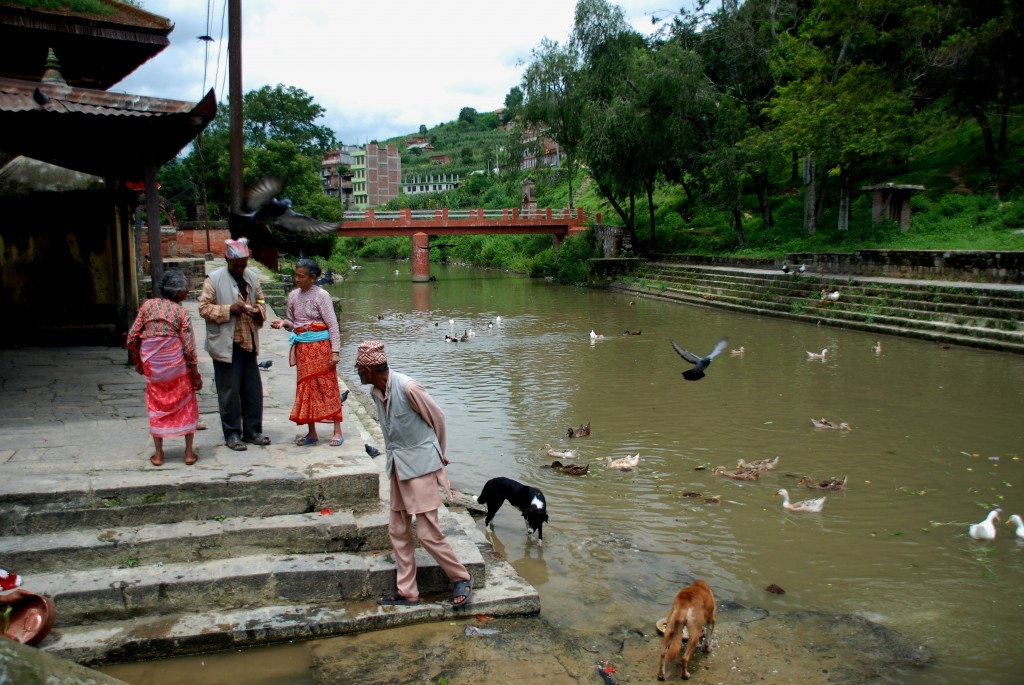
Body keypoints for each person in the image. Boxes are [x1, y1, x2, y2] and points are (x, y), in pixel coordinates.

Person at [354, 340, 473, 608]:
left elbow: (438, 418)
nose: (357, 373)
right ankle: (408, 591)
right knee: (397, 529)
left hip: (421, 466)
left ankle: (461, 577)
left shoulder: (408, 387)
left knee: (429, 532)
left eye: (359, 368)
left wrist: (438, 456)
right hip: (398, 465)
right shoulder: (376, 391)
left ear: (370, 369)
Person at [198, 237, 270, 451]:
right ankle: (232, 433)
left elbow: (261, 301)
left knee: (252, 390)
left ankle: (252, 430)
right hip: (225, 344)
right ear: (227, 261)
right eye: (236, 265)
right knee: (228, 391)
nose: (240, 269)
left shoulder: (252, 278)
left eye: (243, 265)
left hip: (248, 342)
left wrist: (258, 310)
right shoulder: (213, 279)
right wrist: (228, 309)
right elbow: (203, 308)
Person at [126, 269, 203, 466]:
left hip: (153, 367)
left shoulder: (147, 306)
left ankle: (159, 455)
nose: (187, 291)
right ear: (178, 293)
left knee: (156, 404)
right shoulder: (181, 312)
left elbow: (132, 338)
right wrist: (195, 375)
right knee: (186, 402)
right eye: (185, 288)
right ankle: (188, 454)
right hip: (176, 367)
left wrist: (139, 363)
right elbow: (189, 349)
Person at [270, 258, 344, 446]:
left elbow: (332, 324)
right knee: (306, 388)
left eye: (301, 276)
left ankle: (337, 430)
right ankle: (312, 432)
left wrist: (335, 351)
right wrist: (284, 323)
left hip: (321, 348)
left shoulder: (322, 295)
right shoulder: (293, 296)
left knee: (328, 387)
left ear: (313, 277)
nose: (297, 279)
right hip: (303, 349)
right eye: (296, 275)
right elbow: (293, 323)